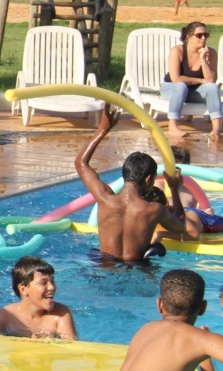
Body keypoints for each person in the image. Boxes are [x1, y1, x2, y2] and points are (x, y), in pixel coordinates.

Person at [75, 105, 187, 261]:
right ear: (148, 179)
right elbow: (180, 227)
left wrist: (102, 129)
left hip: (104, 266)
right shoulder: (154, 210)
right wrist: (174, 189)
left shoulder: (105, 198)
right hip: (137, 268)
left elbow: (81, 163)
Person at [0, 256, 77, 340]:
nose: (52, 287)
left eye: (52, 281)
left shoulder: (61, 314)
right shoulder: (4, 318)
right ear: (23, 289)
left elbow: (72, 346)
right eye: (43, 283)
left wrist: (52, 341)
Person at [159, 21, 221, 140]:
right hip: (172, 89)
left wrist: (203, 60)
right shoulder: (177, 51)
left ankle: (216, 128)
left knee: (213, 88)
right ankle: (173, 125)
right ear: (189, 37)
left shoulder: (211, 53)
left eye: (206, 35)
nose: (203, 38)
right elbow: (176, 78)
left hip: (193, 92)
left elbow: (211, 80)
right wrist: (201, 80)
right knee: (181, 86)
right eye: (199, 35)